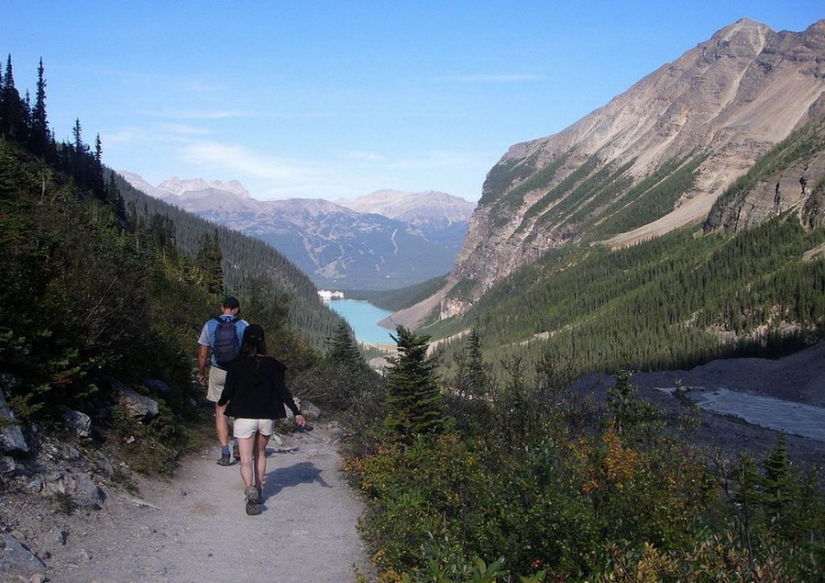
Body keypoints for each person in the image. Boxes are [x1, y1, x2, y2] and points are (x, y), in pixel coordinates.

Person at [218, 324, 306, 515]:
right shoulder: (273, 365)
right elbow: (282, 391)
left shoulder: (235, 364)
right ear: (263, 341)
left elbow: (228, 392)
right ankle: (259, 489)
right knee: (260, 454)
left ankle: (249, 488)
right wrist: (296, 411)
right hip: (266, 417)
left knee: (245, 460)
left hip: (244, 418)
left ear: (244, 342)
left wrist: (222, 403)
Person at [197, 296, 248, 466]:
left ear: (222, 307)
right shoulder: (243, 325)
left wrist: (201, 372)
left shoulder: (209, 325)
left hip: (218, 371)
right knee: (239, 411)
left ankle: (225, 453)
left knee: (220, 412)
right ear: (237, 309)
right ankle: (238, 447)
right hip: (239, 372)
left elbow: (203, 353)